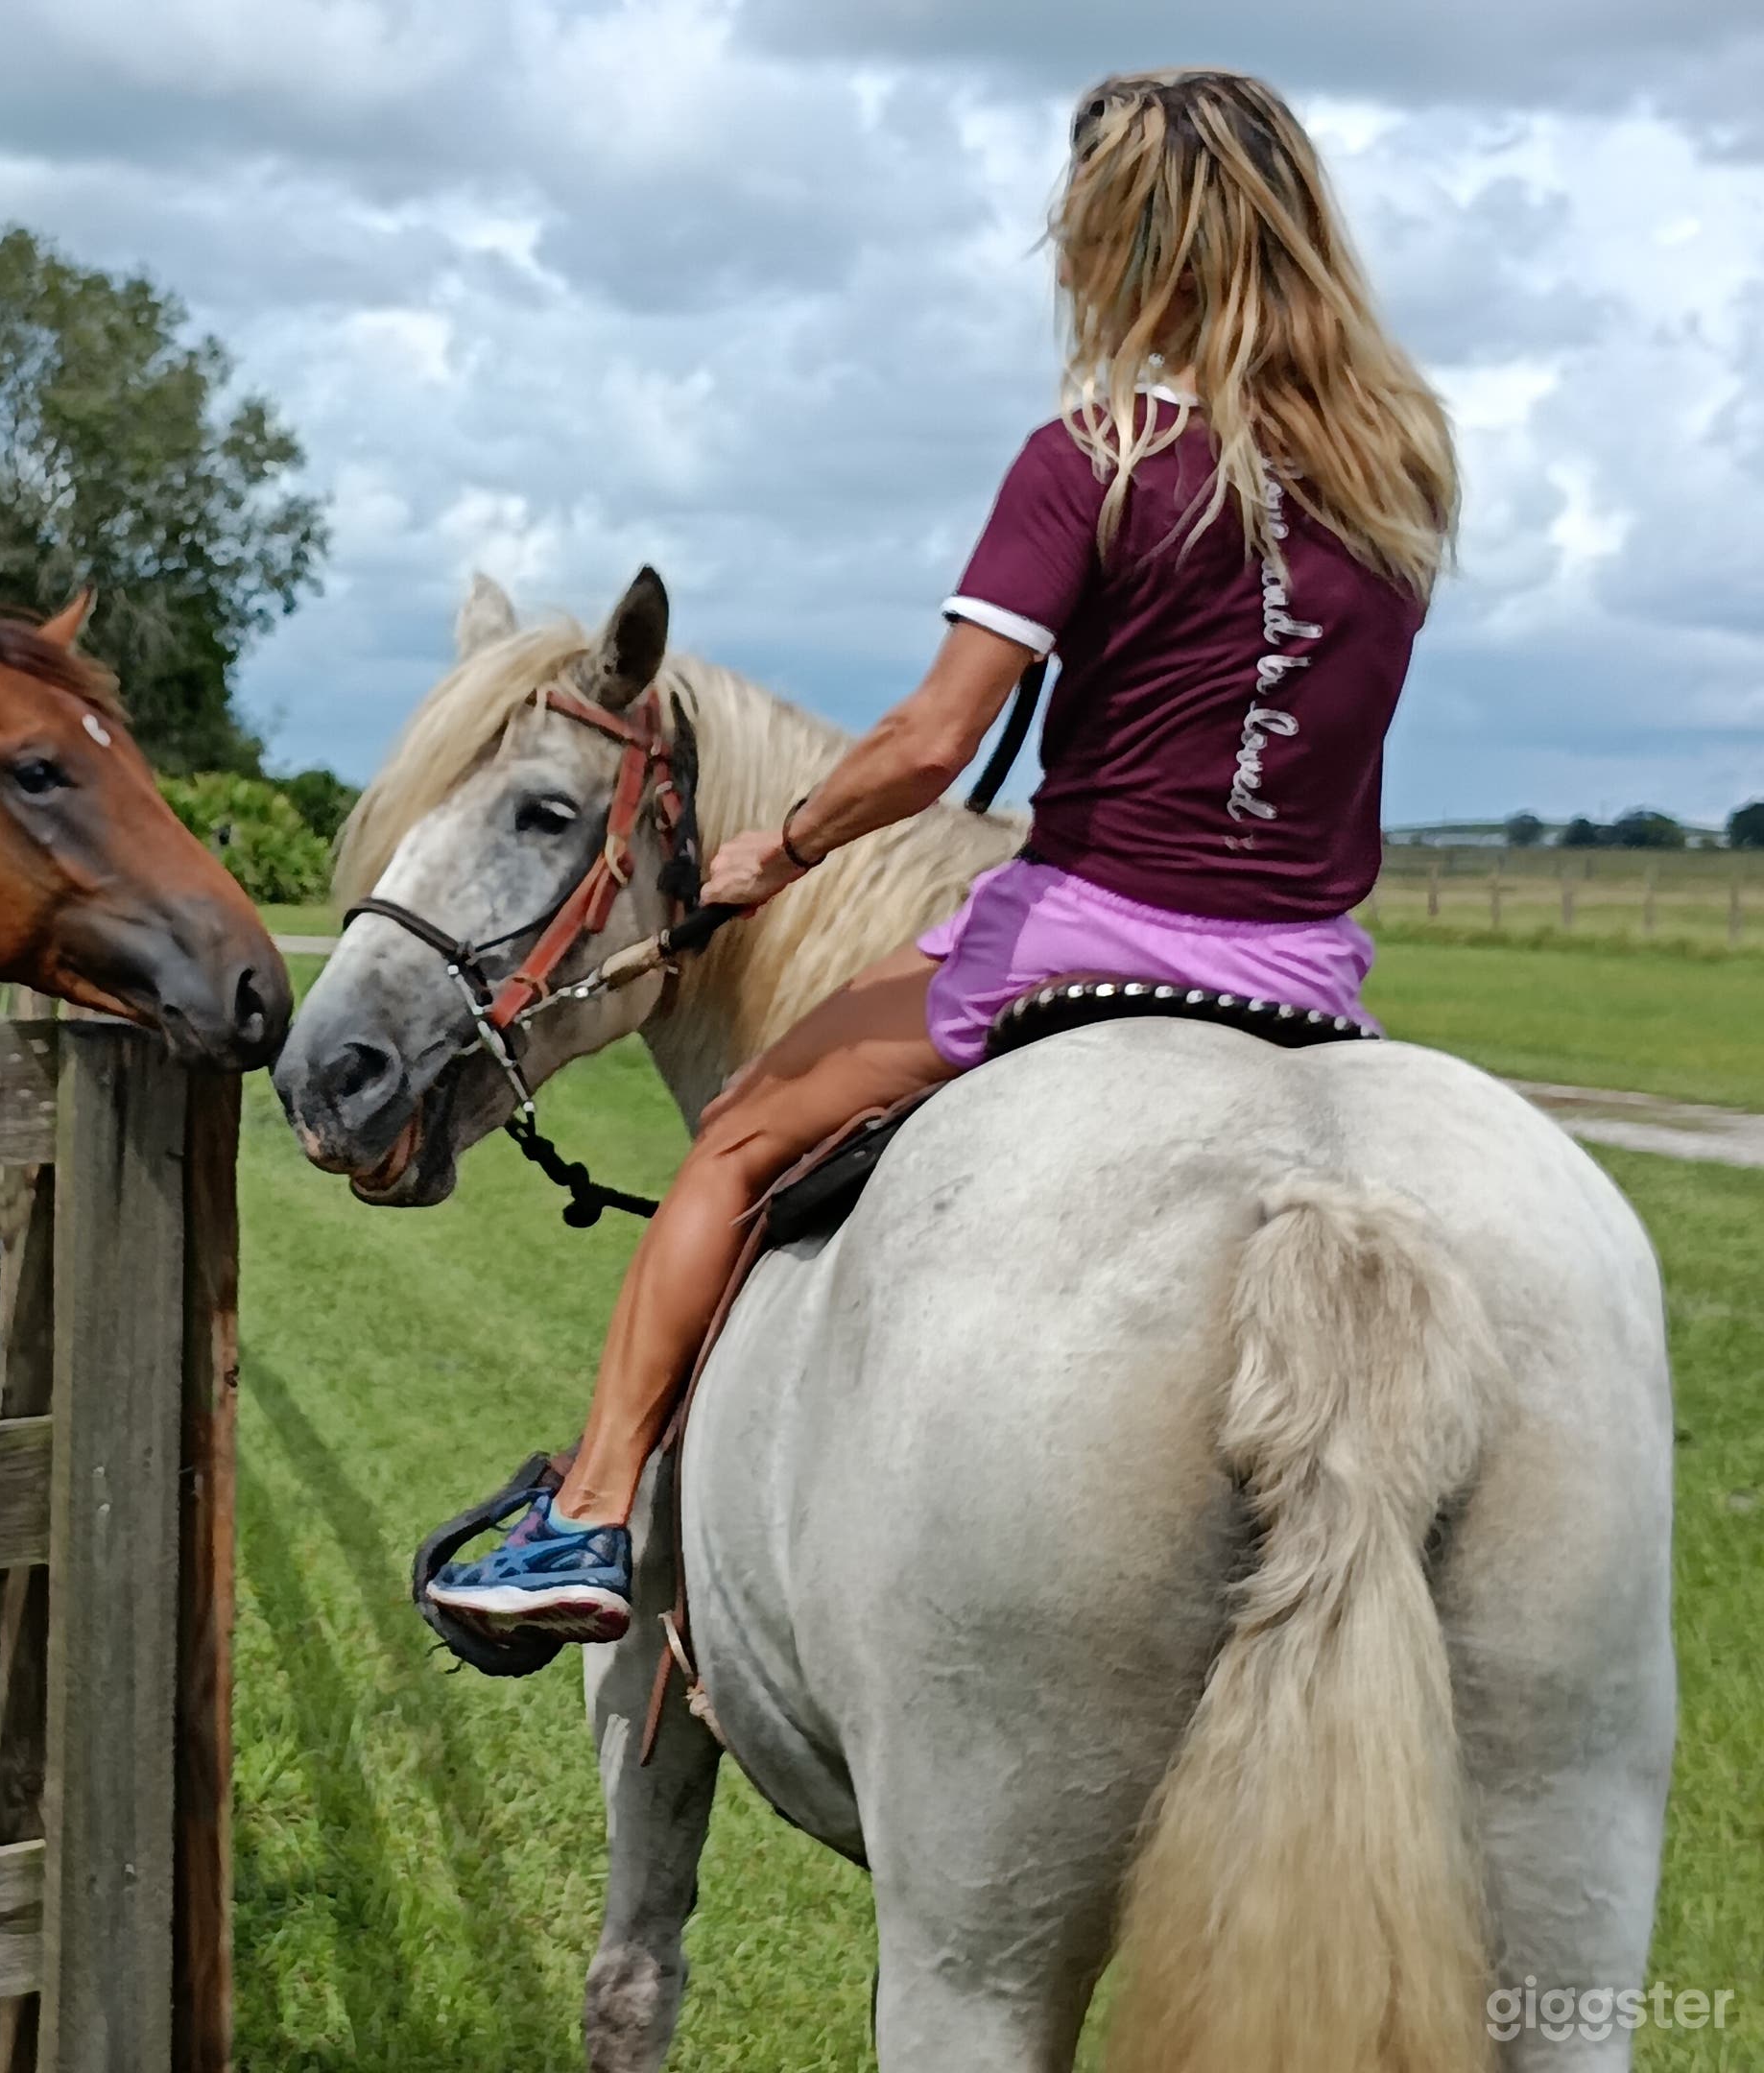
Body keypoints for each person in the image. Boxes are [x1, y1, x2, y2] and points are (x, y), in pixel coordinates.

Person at [426, 66, 1460, 1649]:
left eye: (1080, 229)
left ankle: (586, 1516)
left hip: (1085, 939)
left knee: (734, 1147)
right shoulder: (1401, 471)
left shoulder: (1095, 456)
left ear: (1127, 245)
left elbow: (928, 744)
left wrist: (779, 848)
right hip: (1313, 974)